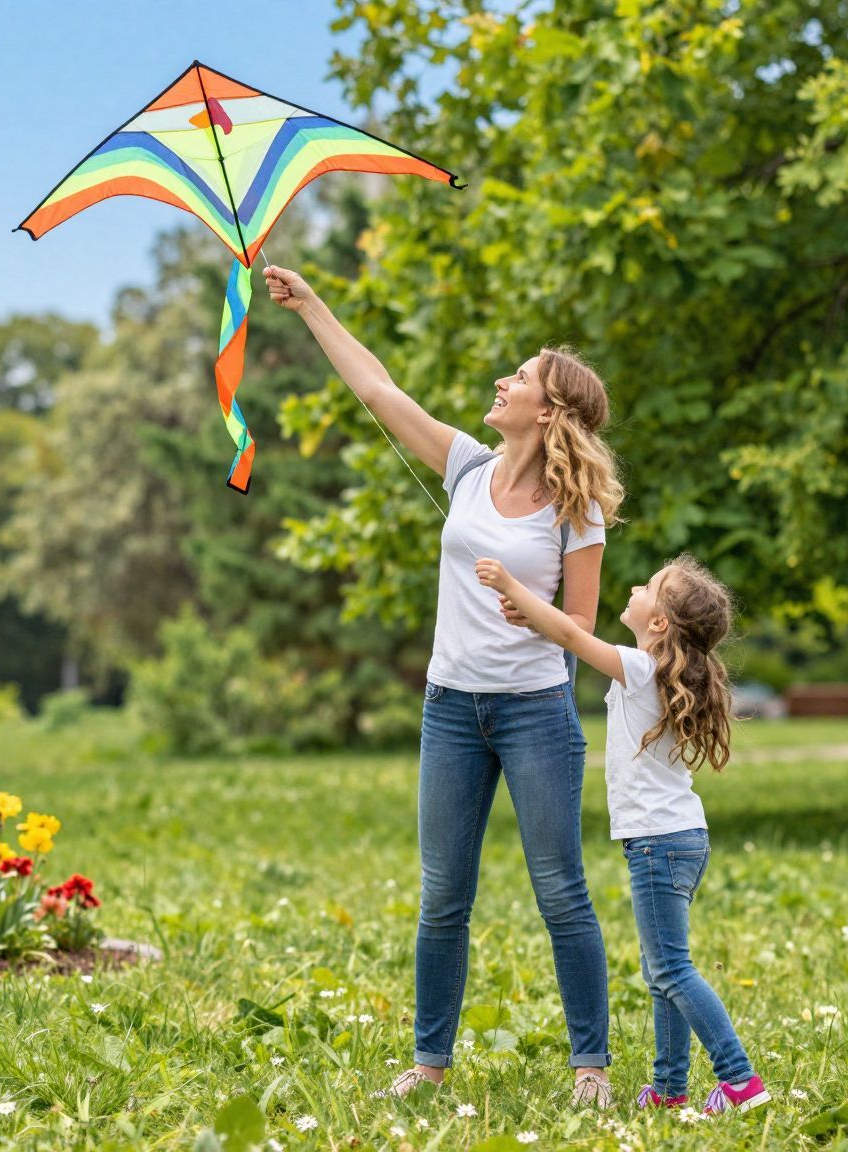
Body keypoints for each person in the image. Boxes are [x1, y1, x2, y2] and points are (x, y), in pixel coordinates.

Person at [264, 265, 624, 1106]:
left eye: (523, 377)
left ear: (552, 409)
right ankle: (429, 1064)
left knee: (561, 891)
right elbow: (378, 390)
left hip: (537, 714)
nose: (504, 381)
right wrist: (313, 303)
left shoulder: (577, 511)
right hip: (450, 710)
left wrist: (520, 602)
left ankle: (591, 1068)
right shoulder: (466, 465)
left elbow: (580, 631)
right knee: (442, 896)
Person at [478, 553, 769, 1115]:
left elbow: (569, 632)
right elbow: (559, 631)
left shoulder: (640, 667)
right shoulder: (656, 670)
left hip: (660, 843)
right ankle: (668, 1090)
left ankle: (740, 1081)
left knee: (670, 970)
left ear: (659, 622)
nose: (636, 586)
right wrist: (532, 614)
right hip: (678, 839)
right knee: (662, 972)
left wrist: (511, 583)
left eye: (650, 586)